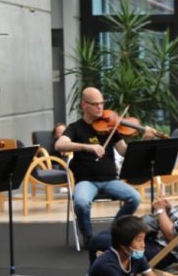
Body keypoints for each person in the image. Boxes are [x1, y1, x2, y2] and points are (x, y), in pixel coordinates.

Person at [56, 88, 144, 243]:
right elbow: (60, 145)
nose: (100, 107)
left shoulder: (110, 126)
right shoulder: (75, 128)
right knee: (82, 203)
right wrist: (87, 147)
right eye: (95, 104)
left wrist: (144, 140)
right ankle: (88, 236)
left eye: (101, 103)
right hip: (86, 181)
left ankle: (113, 231)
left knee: (135, 198)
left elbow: (124, 151)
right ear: (84, 104)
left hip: (111, 180)